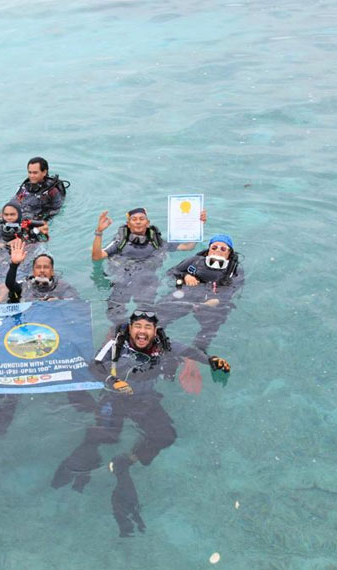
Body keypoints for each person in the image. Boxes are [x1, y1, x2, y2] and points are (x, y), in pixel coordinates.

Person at [51, 310, 230, 537]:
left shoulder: (164, 344)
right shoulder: (116, 345)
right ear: (131, 328)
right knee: (104, 436)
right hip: (115, 399)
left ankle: (125, 461)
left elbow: (190, 351)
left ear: (154, 331)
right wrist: (113, 382)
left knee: (166, 437)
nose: (142, 331)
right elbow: (94, 366)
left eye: (147, 327)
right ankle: (83, 463)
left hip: (144, 401)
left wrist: (211, 360)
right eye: (138, 326)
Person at [91, 207, 207, 324]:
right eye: (134, 219)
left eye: (142, 218)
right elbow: (97, 256)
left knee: (146, 313)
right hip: (123, 277)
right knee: (114, 311)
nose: (138, 221)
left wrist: (197, 225)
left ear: (147, 223)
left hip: (147, 280)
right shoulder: (120, 242)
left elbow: (188, 247)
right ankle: (118, 331)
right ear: (128, 224)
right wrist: (99, 232)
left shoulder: (157, 242)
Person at [156, 234, 243, 351]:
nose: (218, 251)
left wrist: (218, 300)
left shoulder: (234, 270)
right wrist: (185, 276)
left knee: (211, 326)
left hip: (213, 300)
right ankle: (156, 343)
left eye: (223, 249)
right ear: (208, 250)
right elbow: (171, 272)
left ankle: (196, 353)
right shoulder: (195, 261)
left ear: (229, 254)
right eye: (214, 247)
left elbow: (233, 288)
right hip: (188, 293)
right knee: (159, 315)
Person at [5, 239, 78, 302]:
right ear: (33, 271)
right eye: (38, 267)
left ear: (52, 271)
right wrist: (14, 264)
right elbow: (10, 284)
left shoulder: (62, 287)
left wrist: (59, 301)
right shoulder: (25, 285)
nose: (42, 270)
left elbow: (75, 302)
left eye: (46, 267)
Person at [13, 157, 69, 221]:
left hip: (36, 215)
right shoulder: (25, 186)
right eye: (30, 172)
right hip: (25, 210)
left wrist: (40, 218)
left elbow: (56, 209)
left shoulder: (52, 191)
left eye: (35, 173)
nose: (31, 176)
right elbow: (15, 200)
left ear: (44, 172)